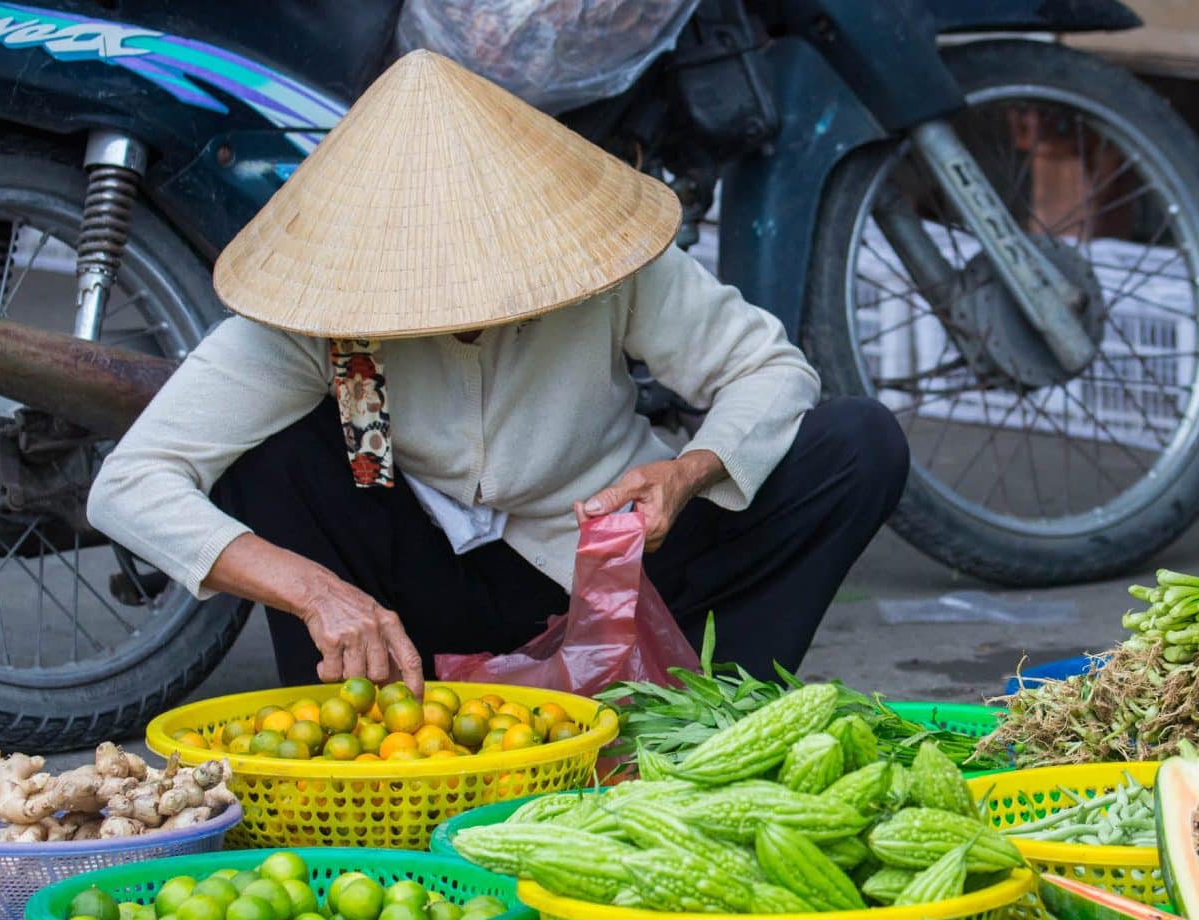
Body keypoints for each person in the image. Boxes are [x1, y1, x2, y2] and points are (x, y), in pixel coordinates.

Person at [87, 51, 908, 691]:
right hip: (415, 599)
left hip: (614, 559)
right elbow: (131, 485)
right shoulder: (321, 310)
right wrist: (317, 594)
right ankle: (366, 727)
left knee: (857, 442)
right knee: (274, 452)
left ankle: (712, 714)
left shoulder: (604, 257)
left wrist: (687, 472)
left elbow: (767, 369)